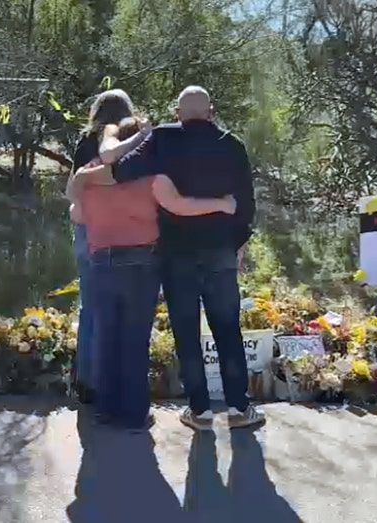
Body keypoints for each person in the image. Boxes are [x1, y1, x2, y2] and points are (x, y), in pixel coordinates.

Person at [94, 86, 265, 430]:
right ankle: (238, 408)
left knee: (186, 332)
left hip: (175, 253)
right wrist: (236, 244)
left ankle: (200, 411)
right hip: (220, 251)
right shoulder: (232, 145)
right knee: (227, 330)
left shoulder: (163, 138)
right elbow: (246, 207)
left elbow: (121, 170)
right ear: (211, 112)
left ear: (177, 113)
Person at [69, 115, 237, 431]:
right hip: (140, 263)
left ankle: (106, 411)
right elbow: (180, 205)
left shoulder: (90, 172)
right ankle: (134, 415)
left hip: (101, 262)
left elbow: (76, 214)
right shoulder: (150, 175)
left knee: (106, 337)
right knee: (135, 339)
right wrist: (222, 204)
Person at [68, 89, 149, 404]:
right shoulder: (132, 141)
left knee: (89, 306)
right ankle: (120, 384)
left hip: (87, 226)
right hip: (125, 230)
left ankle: (87, 381)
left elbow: (74, 190)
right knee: (125, 310)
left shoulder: (85, 142)